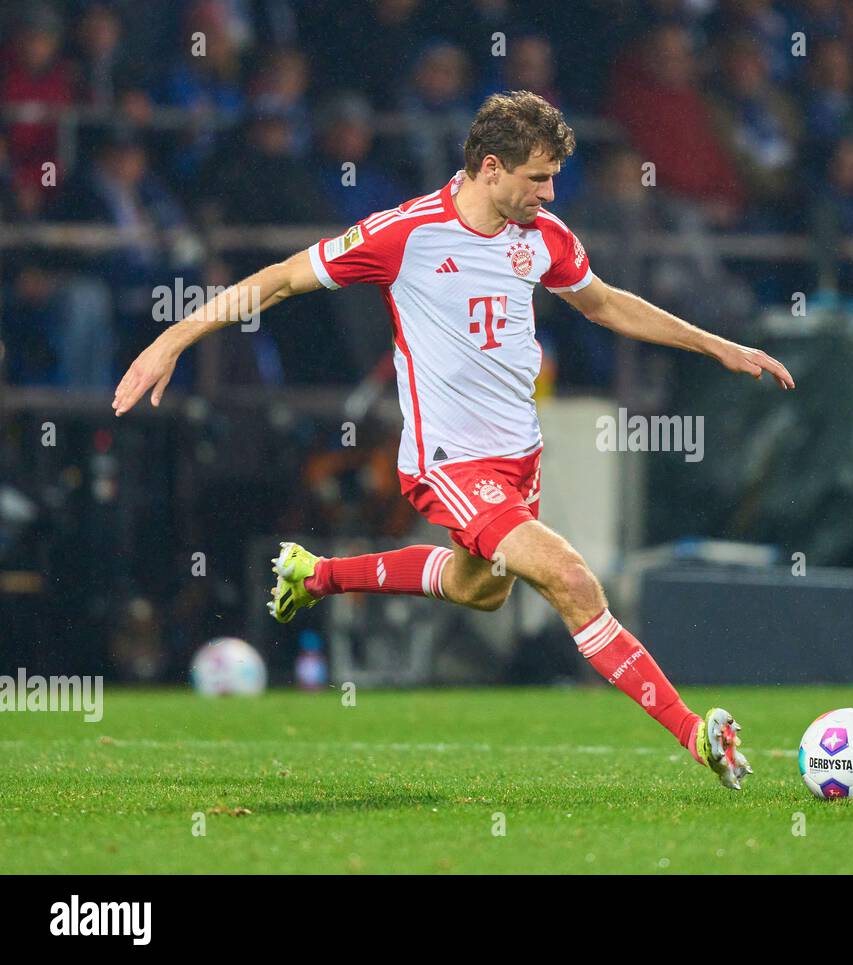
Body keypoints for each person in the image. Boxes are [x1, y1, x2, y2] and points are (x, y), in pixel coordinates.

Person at [111, 91, 795, 791]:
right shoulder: (405, 234)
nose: (550, 191)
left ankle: (314, 574)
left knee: (480, 590)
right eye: (537, 177)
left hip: (518, 454)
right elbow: (282, 279)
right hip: (450, 461)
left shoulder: (545, 236)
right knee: (570, 578)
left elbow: (604, 302)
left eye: (554, 177)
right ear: (490, 168)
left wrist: (714, 345)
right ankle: (697, 732)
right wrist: (173, 339)